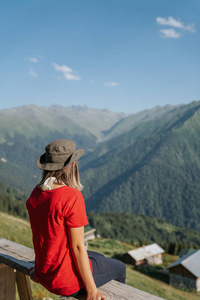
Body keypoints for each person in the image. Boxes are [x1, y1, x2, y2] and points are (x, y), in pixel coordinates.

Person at [26, 139, 126, 300]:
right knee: (119, 268)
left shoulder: (36, 192)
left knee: (99, 257)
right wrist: (92, 290)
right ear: (70, 166)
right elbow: (78, 247)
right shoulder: (71, 196)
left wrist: (38, 270)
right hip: (65, 282)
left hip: (45, 274)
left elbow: (42, 237)